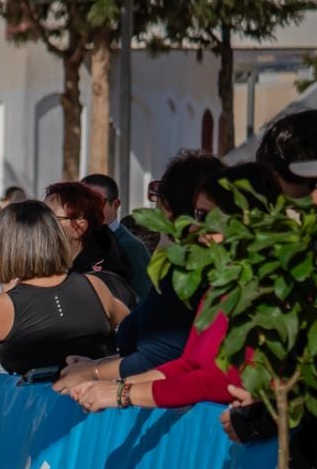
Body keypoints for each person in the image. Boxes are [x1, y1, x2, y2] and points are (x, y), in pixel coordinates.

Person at [62, 165, 275, 413]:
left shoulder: (264, 289)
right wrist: (110, 385)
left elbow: (218, 379)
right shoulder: (220, 286)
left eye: (206, 217)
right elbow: (187, 364)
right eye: (196, 215)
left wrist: (121, 391)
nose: (195, 227)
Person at [0, 201, 129, 375]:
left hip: (34, 400)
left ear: (2, 247)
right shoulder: (95, 285)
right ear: (55, 238)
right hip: (94, 395)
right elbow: (132, 324)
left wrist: (7, 293)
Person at [44, 179, 134, 301]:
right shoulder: (52, 266)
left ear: (78, 228)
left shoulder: (101, 283)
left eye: (49, 218)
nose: (40, 225)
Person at [80, 173, 152, 299]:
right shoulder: (78, 243)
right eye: (83, 202)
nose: (90, 209)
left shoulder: (131, 247)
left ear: (116, 205)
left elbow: (142, 301)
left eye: (97, 202)